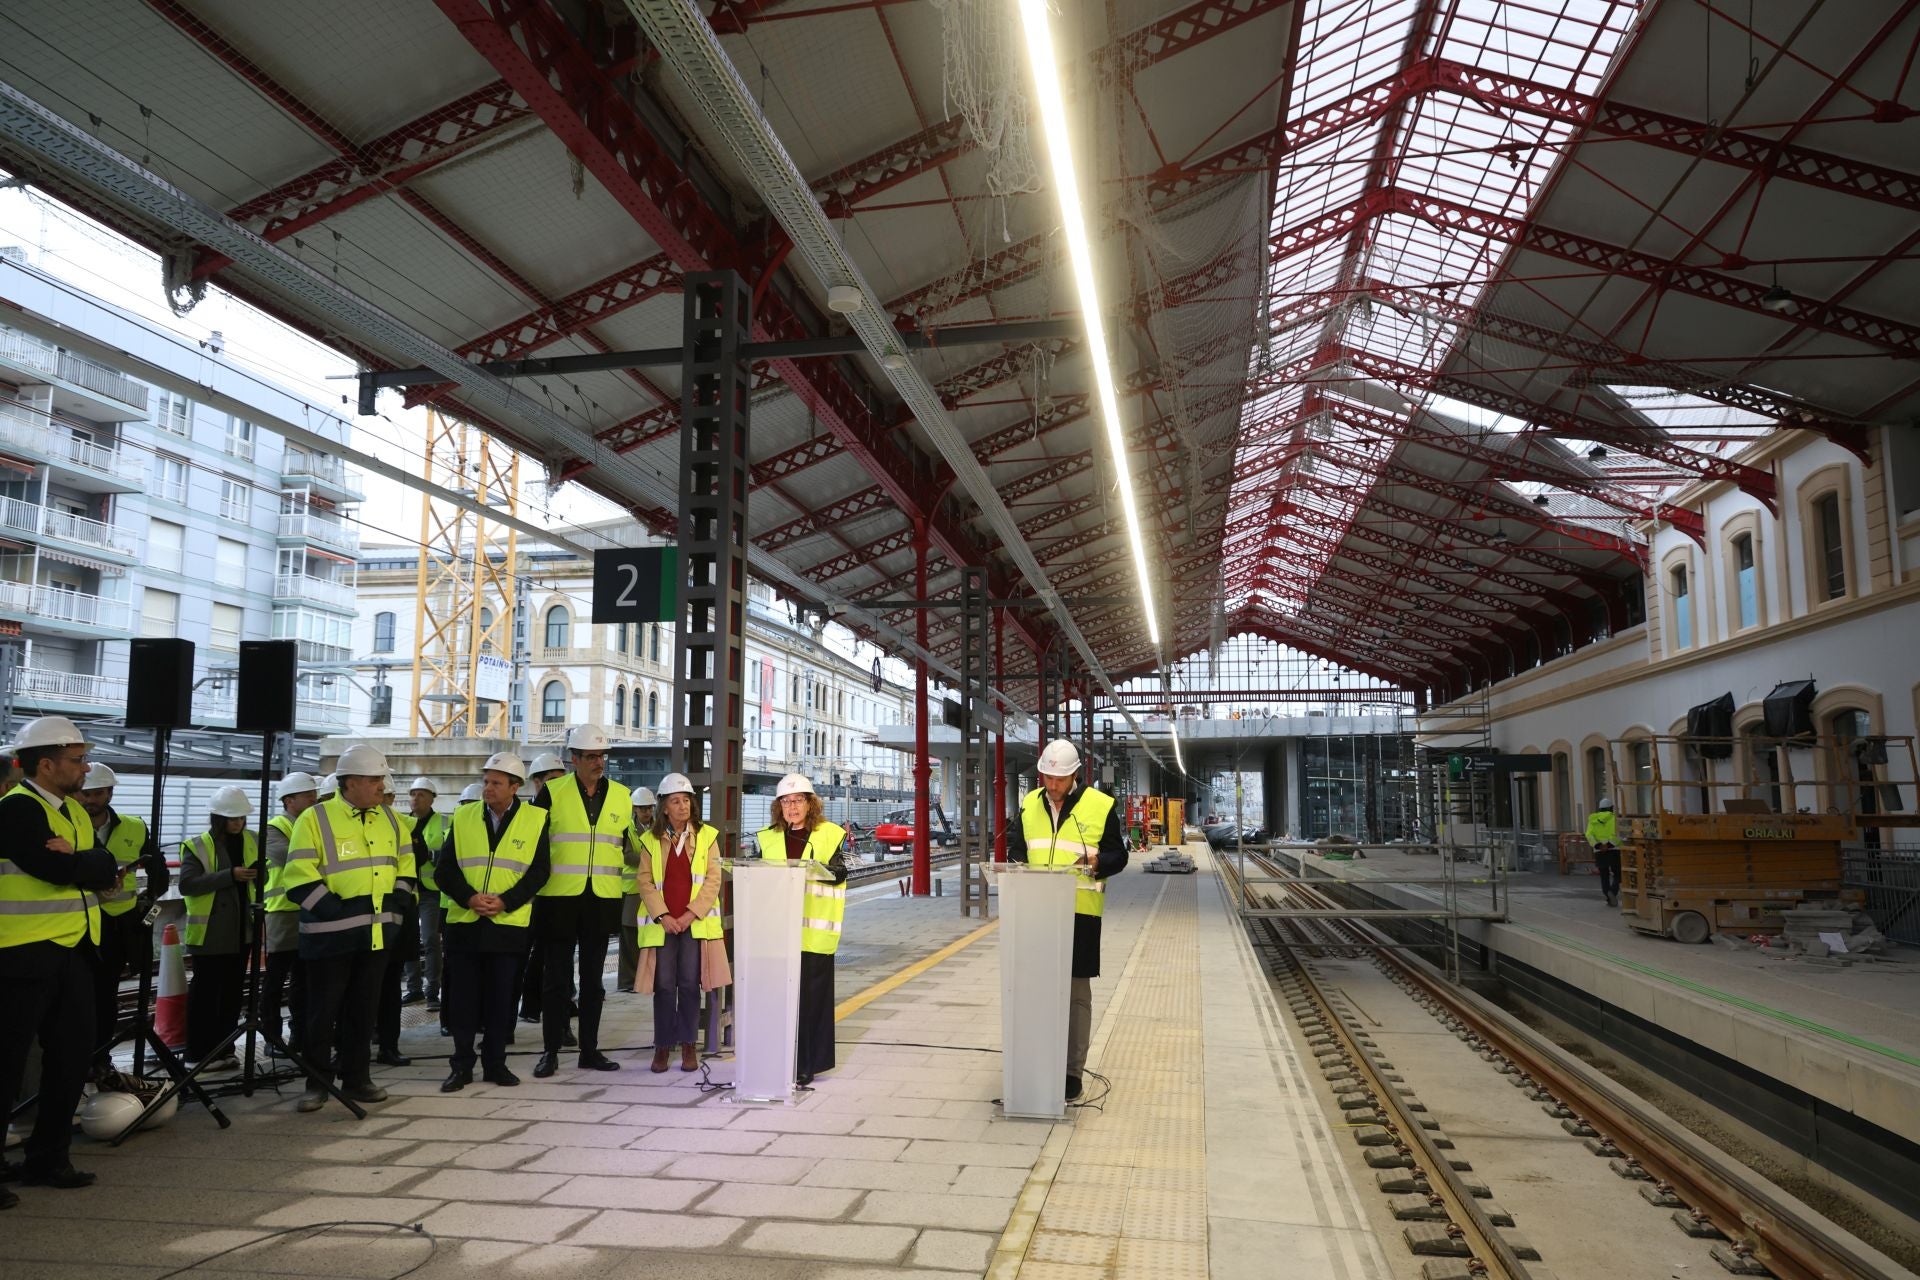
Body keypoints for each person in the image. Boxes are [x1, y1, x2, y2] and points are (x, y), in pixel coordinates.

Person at [0, 716, 118, 1204]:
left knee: (70, 1059)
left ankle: (49, 1157)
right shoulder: (16, 809)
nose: (85, 768)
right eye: (76, 760)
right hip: (23, 953)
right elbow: (52, 868)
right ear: (45, 764)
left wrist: (85, 863)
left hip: (72, 950)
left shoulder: (71, 810)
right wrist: (84, 865)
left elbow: (105, 868)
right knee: (5, 1065)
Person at [280, 743, 415, 1112]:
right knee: (321, 1014)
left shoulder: (390, 819)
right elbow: (298, 879)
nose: (380, 787)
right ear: (351, 782)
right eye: (374, 780)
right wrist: (335, 913)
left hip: (375, 936)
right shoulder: (316, 819)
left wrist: (397, 907)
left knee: (362, 1012)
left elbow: (406, 868)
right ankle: (317, 1083)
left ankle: (357, 1079)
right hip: (328, 939)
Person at [1007, 740, 1127, 1101]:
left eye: (1059, 778)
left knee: (1075, 995)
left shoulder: (1100, 806)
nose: (1052, 785)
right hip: (1036, 911)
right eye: (1046, 777)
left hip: (1080, 914)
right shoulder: (1029, 804)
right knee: (1035, 991)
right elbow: (1016, 850)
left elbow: (1118, 855)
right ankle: (1037, 1061)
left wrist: (1094, 863)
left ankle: (1072, 1072)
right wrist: (1015, 869)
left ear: (1075, 775)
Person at [438, 753, 550, 1092]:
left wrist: (505, 902)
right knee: (463, 999)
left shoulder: (535, 819)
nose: (488, 788)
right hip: (465, 922)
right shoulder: (463, 816)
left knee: (502, 998)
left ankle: (495, 1063)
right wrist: (470, 898)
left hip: (509, 924)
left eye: (496, 782)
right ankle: (461, 1065)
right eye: (486, 781)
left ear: (515, 787)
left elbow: (540, 872)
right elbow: (444, 870)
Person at [530, 726, 634, 1078]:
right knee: (556, 980)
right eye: (591, 757)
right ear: (573, 759)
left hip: (601, 899)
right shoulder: (550, 793)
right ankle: (550, 1051)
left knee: (593, 981)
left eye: (602, 756)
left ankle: (589, 1050)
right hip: (558, 898)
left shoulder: (623, 796)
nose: (598, 762)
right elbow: (531, 844)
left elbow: (632, 846)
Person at [75, 763, 168, 1074]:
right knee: (76, 996)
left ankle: (99, 1059)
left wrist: (148, 902)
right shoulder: (68, 825)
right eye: (86, 793)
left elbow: (159, 870)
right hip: (80, 925)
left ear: (110, 793)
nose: (90, 799)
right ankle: (76, 1059)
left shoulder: (134, 826)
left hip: (117, 926)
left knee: (105, 995)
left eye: (97, 793)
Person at [757, 773, 846, 1087]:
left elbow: (840, 872)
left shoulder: (829, 834)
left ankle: (808, 1063)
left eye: (797, 800)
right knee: (778, 1000)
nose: (791, 806)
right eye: (786, 801)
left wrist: (817, 870)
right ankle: (778, 1059)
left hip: (812, 934)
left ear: (811, 803)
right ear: (778, 806)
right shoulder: (767, 838)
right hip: (777, 932)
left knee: (810, 1002)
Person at [634, 774, 725, 1073]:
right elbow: (644, 881)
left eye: (686, 800)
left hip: (692, 923)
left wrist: (689, 915)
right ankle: (662, 1045)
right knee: (663, 985)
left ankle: (688, 1045)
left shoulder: (708, 836)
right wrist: (663, 916)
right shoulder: (650, 840)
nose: (683, 806)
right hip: (662, 925)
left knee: (688, 983)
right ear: (664, 808)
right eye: (676, 801)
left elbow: (713, 880)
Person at [178, 786, 260, 1071]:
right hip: (210, 932)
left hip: (242, 931)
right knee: (205, 995)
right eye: (231, 818)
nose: (237, 823)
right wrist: (230, 875)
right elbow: (188, 883)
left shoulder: (252, 839)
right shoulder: (198, 845)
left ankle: (225, 1049)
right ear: (218, 818)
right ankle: (197, 1054)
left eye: (241, 818)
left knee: (232, 994)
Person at [262, 772, 319, 1057]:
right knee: (275, 980)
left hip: (309, 910)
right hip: (283, 912)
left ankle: (299, 1034)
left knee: (304, 980)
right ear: (289, 800)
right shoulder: (276, 827)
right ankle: (273, 1038)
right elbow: (292, 858)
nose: (313, 798)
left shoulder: (313, 824)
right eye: (307, 795)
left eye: (313, 794)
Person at [518, 754, 567, 1027]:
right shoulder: (525, 816)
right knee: (520, 958)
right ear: (536, 783)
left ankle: (556, 1020)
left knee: (554, 960)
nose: (558, 789)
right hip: (527, 899)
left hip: (556, 896)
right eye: (551, 782)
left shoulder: (567, 814)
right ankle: (510, 1022)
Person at [405, 778, 449, 1010]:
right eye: (413, 794)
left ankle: (432, 991)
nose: (416, 798)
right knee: (408, 941)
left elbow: (449, 854)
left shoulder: (443, 822)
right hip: (408, 891)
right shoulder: (402, 823)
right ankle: (413, 990)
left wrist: (430, 855)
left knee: (431, 941)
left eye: (421, 794)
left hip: (432, 893)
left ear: (432, 798)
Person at [617, 785, 658, 993]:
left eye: (649, 808)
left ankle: (644, 979)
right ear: (634, 809)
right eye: (643, 809)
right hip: (632, 891)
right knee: (630, 937)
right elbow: (626, 855)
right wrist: (650, 860)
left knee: (650, 936)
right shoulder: (627, 828)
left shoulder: (658, 828)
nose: (647, 812)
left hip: (652, 891)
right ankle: (627, 982)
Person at [1587, 796, 1621, 908]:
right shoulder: (1615, 818)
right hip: (1614, 850)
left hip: (1599, 851)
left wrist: (1598, 845)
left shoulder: (1593, 820)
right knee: (1618, 874)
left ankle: (1608, 895)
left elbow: (1589, 835)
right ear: (1611, 808)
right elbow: (1619, 834)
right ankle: (1613, 892)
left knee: (1604, 875)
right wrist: (1609, 845)